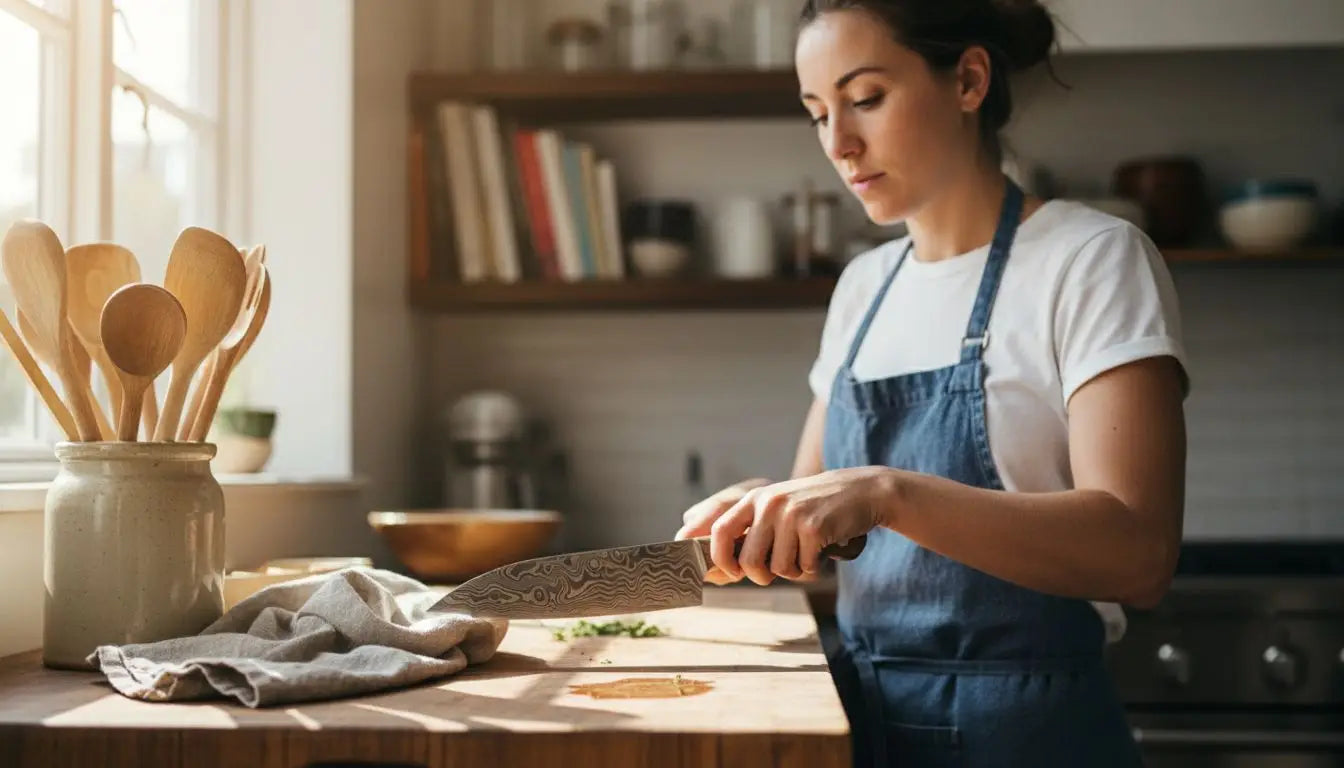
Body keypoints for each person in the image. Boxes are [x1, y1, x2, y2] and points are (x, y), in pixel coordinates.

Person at [674, 1, 1189, 765]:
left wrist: (891, 493)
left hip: (1029, 737)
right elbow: (821, 528)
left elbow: (1138, 554)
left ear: (969, 81)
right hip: (866, 727)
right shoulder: (863, 287)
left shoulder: (1090, 260)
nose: (840, 144)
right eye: (818, 114)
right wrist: (761, 511)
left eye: (866, 99)